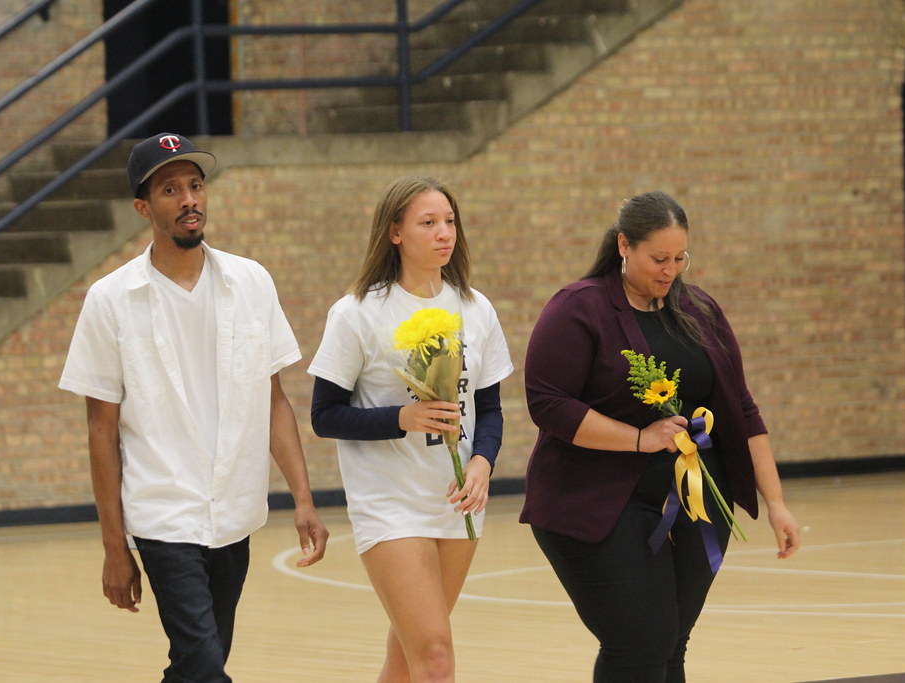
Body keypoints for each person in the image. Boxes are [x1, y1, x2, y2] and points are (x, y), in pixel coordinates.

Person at [58, 132, 328, 682]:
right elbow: (100, 430)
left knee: (196, 665)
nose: (189, 200)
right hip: (161, 512)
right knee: (205, 665)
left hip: (235, 510)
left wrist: (304, 498)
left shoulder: (251, 282)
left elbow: (274, 400)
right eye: (170, 189)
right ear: (143, 207)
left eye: (196, 186)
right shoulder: (110, 301)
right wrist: (115, 545)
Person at [519, 191, 800, 682]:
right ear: (624, 245)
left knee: (670, 645)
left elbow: (742, 408)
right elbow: (549, 404)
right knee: (640, 642)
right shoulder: (577, 307)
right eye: (659, 259)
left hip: (695, 496)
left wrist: (775, 502)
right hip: (596, 499)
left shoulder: (700, 309)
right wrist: (638, 438)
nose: (670, 270)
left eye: (680, 258)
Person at [307, 176, 514, 682]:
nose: (445, 233)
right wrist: (401, 418)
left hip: (455, 500)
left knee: (407, 660)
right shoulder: (357, 312)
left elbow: (489, 409)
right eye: (428, 222)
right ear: (395, 232)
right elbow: (324, 415)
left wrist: (483, 463)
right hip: (388, 501)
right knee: (436, 657)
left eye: (449, 221)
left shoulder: (475, 308)